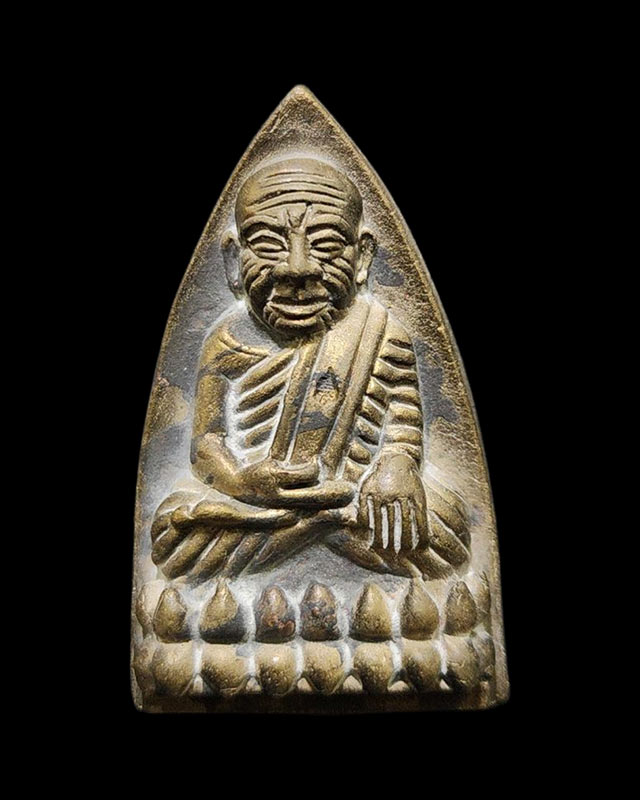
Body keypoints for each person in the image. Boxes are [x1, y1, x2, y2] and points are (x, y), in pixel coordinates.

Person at [150, 158, 468, 582]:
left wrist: (396, 467)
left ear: (362, 256)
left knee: (446, 529)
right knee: (171, 533)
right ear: (233, 259)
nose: (297, 268)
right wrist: (242, 482)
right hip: (264, 507)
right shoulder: (225, 340)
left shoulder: (380, 331)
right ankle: (323, 524)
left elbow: (403, 424)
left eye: (326, 244)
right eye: (269, 244)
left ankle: (317, 526)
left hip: (357, 501)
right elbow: (207, 444)